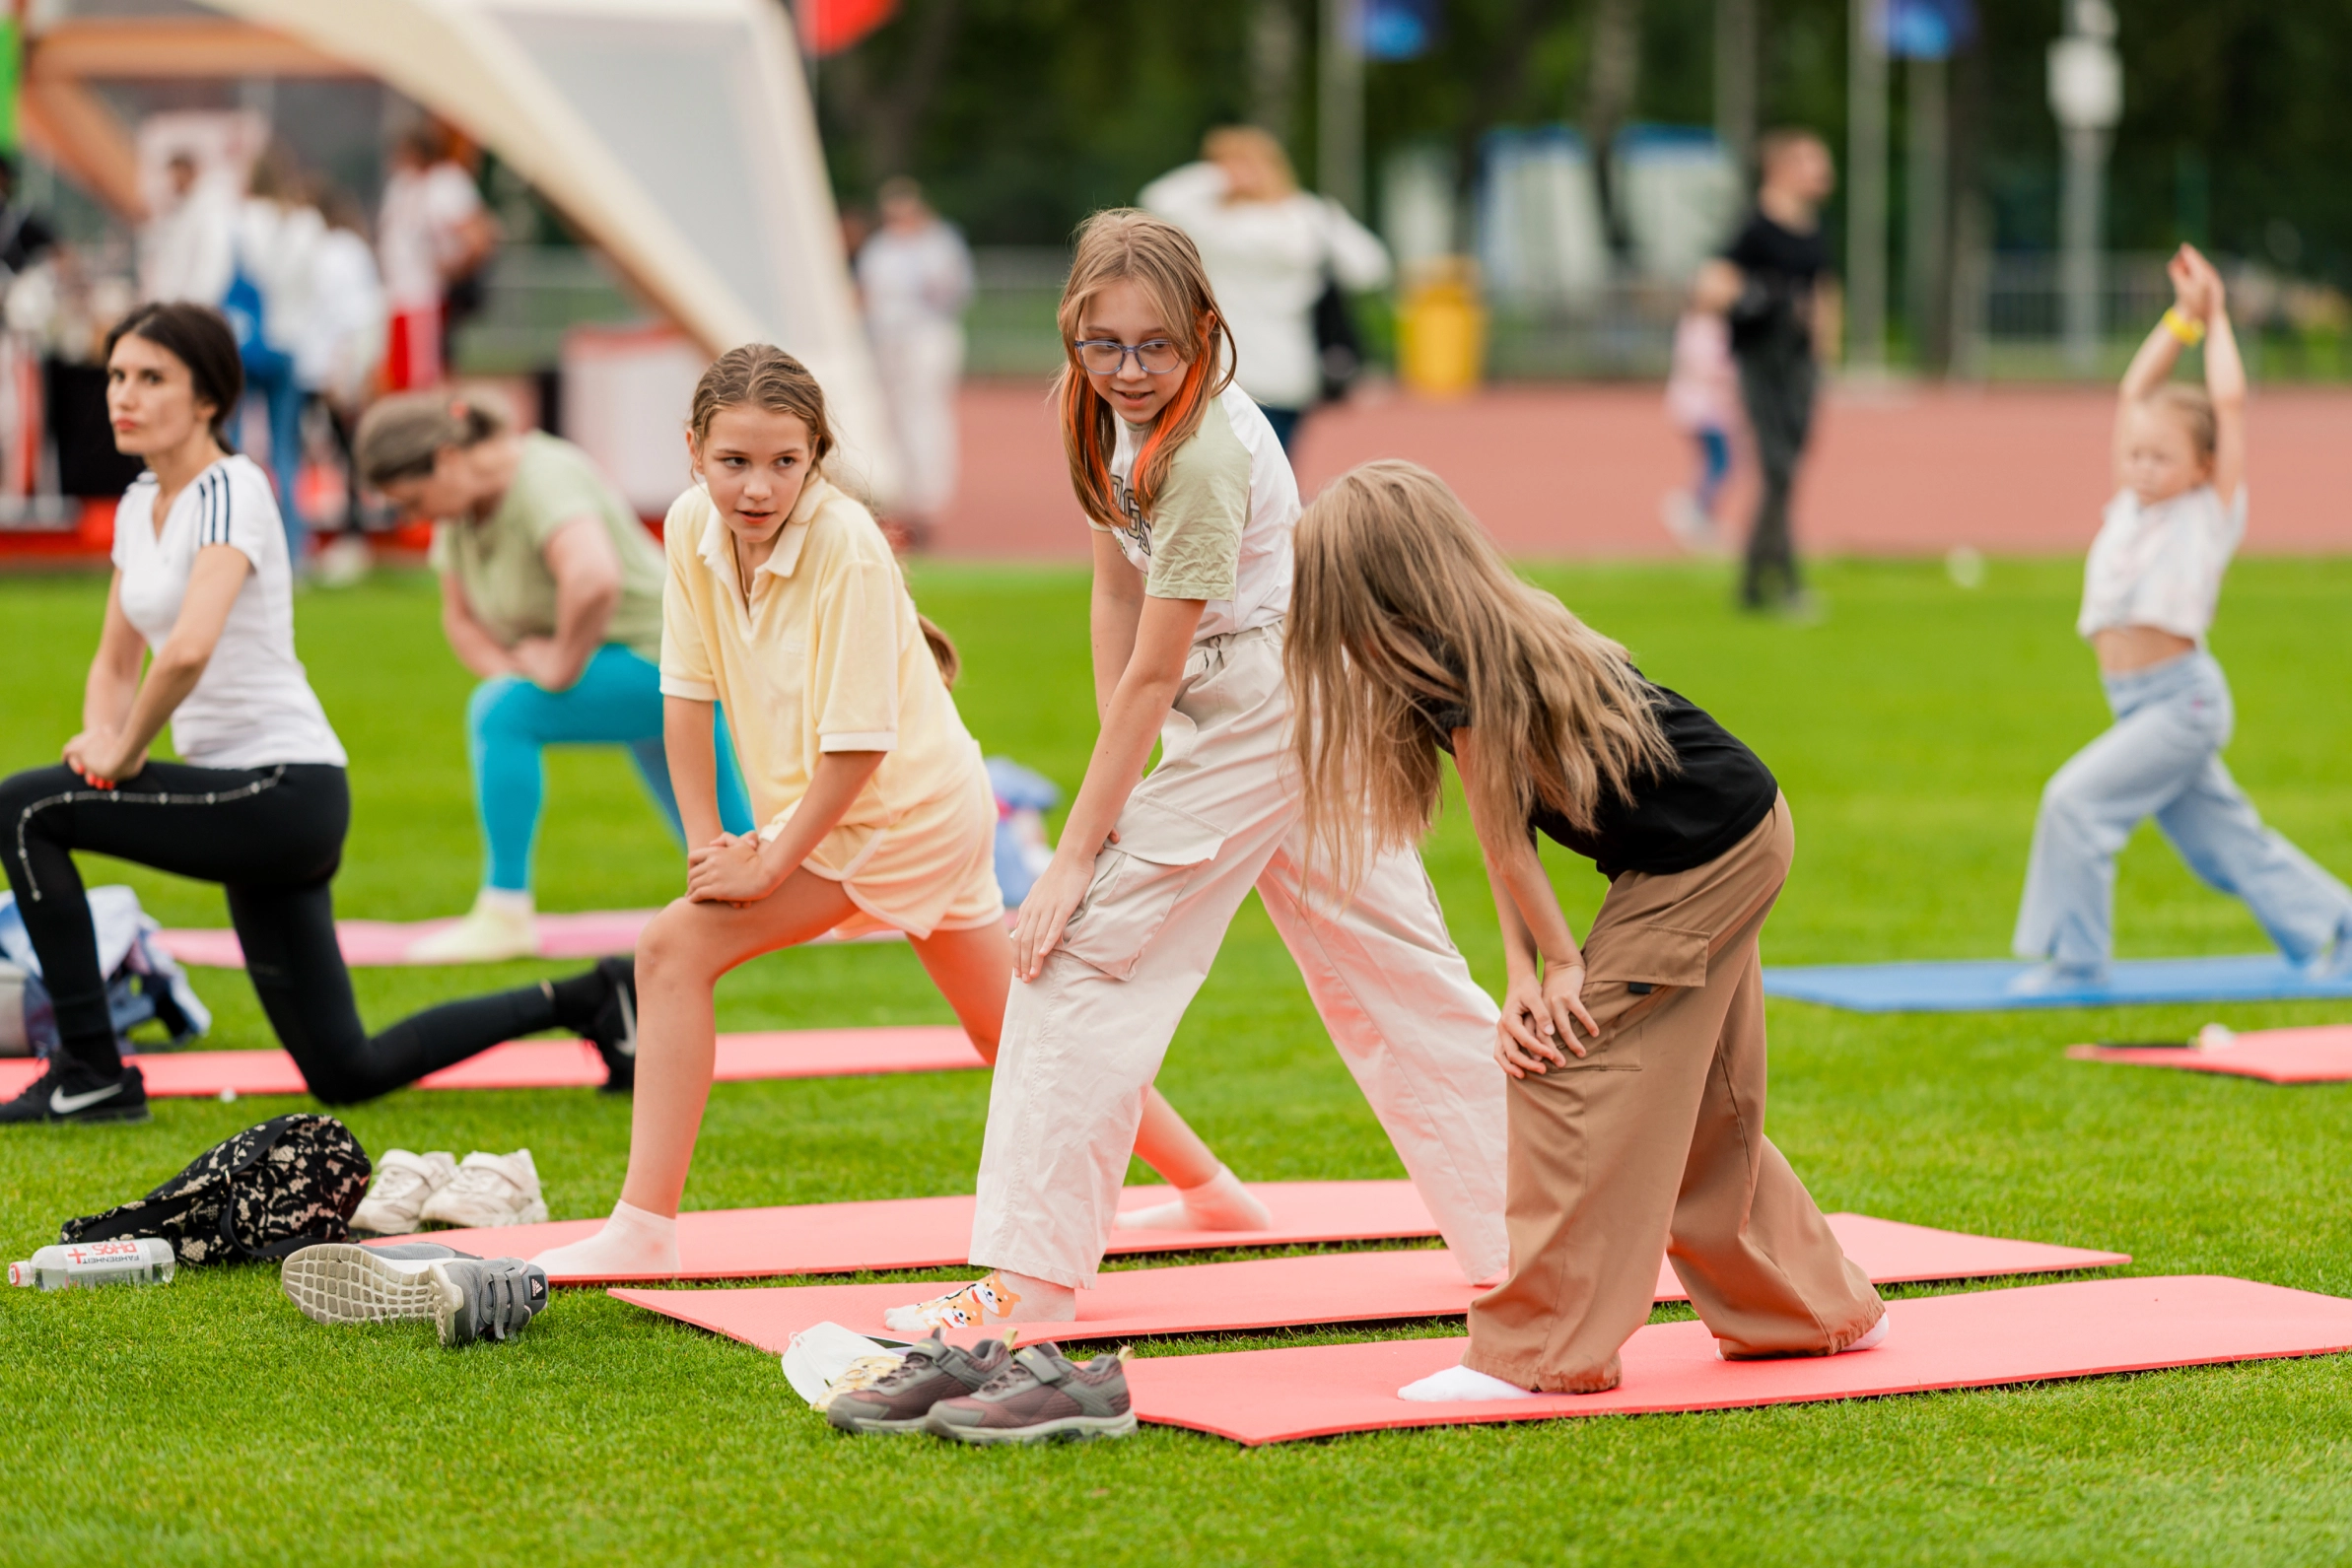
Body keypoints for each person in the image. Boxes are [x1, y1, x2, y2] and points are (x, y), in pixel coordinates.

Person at [882, 211, 1506, 1334]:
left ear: (1205, 334)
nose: (1126, 370)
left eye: (1155, 347)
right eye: (1101, 344)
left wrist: (1080, 849)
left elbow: (1159, 664)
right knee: (1398, 979)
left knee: (1073, 956)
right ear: (1071, 333)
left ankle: (1022, 1281)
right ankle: (1532, 1232)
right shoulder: (1095, 414)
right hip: (1261, 702)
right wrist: (1135, 763)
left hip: (1281, 696)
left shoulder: (1207, 457)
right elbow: (1116, 599)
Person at [529, 344, 1254, 1276]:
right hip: (873, 809)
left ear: (816, 456)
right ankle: (1212, 1190)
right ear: (693, 452)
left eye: (785, 463)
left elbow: (859, 747)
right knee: (1004, 1029)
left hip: (905, 815)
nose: (757, 488)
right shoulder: (684, 528)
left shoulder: (845, 544)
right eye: (734, 462)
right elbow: (685, 690)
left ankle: (644, 1226)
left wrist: (771, 861)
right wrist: (709, 841)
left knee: (672, 948)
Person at [1280, 458, 1885, 1398]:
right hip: (1733, 832)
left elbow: (1511, 854)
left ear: (1380, 590)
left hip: (1709, 855)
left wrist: (1560, 971)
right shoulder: (1474, 644)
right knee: (1698, 1102)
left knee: (1567, 1069)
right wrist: (1524, 971)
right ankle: (1803, 1310)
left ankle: (1537, 1350)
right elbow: (1502, 836)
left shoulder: (1478, 664)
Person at [0, 303, 637, 1126]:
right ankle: (591, 996)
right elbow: (116, 658)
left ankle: (89, 1069)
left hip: (280, 791)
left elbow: (188, 647)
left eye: (151, 377)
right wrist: (100, 732)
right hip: (246, 802)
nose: (123, 393)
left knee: (25, 808)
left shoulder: (233, 487)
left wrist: (124, 747)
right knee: (347, 1069)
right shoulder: (138, 503)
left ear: (207, 399)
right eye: (118, 375)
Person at [2012, 245, 2352, 989]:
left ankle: (2076, 960)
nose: (2139, 466)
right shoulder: (2130, 504)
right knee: (2224, 845)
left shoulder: (2208, 513)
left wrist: (2221, 315)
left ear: (2203, 467)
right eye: (2134, 454)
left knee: (2073, 802)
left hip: (2181, 700)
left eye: (2160, 458)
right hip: (2134, 703)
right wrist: (2182, 318)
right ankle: (2336, 922)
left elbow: (2228, 405)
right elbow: (2137, 387)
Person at [355, 392, 756, 962]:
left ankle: (505, 910)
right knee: (738, 845)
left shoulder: (542, 477)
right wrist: (515, 670)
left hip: (663, 662)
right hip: (652, 667)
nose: (414, 518)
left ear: (446, 458)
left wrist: (558, 667)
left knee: (502, 714)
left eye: (414, 499)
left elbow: (593, 578)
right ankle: (782, 889)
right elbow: (461, 619)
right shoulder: (462, 507)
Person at [1141, 127, 1390, 452]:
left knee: (1226, 477)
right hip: (1279, 373)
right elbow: (1371, 267)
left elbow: (1157, 199)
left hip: (1226, 369)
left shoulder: (1211, 222)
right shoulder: (1309, 216)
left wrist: (1215, 176)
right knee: (1270, 479)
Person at [1711, 128, 1840, 615]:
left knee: (1786, 470)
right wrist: (1758, 298)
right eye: (1813, 162)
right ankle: (1780, 581)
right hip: (1763, 360)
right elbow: (1713, 283)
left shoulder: (1811, 228)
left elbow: (1823, 289)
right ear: (1783, 169)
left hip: (1800, 363)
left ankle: (1753, 583)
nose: (1824, 174)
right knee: (1777, 468)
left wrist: (1824, 353)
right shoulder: (1754, 228)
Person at [856, 177, 973, 541]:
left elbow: (953, 291)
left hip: (926, 335)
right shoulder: (880, 247)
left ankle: (929, 494)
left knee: (923, 412)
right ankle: (899, 489)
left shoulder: (938, 242)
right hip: (885, 338)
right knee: (890, 414)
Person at [230, 149, 324, 565]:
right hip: (291, 348)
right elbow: (319, 289)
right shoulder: (308, 225)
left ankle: (231, 542)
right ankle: (294, 551)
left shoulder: (243, 220)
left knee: (231, 449)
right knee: (286, 452)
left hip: (247, 344)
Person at [299, 189, 388, 582]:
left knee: (344, 452)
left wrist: (343, 372)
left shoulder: (336, 253)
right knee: (341, 452)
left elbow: (347, 315)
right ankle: (351, 535)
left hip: (331, 366)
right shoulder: (351, 250)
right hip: (339, 363)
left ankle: (353, 535)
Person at [377, 126, 495, 390]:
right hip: (400, 294)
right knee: (398, 377)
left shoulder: (446, 184)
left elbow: (479, 238)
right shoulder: (404, 185)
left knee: (424, 378)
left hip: (426, 296)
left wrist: (453, 268)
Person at [1659, 262, 1742, 555]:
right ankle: (1694, 510)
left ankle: (1700, 512)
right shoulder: (1701, 326)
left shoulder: (1704, 324)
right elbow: (1710, 367)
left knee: (1716, 463)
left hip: (1707, 407)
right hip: (1703, 409)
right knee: (1722, 463)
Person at [137, 151, 235, 307]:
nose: (173, 182)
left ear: (190, 172)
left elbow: (211, 263)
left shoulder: (210, 211)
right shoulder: (184, 210)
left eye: (177, 176)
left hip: (192, 306)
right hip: (176, 304)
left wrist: (194, 305)